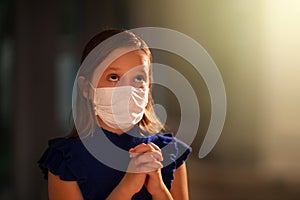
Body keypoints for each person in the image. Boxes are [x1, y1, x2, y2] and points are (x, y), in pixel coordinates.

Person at [38, 29, 191, 200]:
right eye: (113, 77)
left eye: (138, 78)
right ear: (87, 88)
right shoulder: (65, 160)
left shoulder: (168, 153)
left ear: (148, 89)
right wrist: (127, 187)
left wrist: (159, 190)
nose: (127, 89)